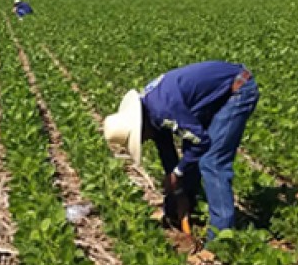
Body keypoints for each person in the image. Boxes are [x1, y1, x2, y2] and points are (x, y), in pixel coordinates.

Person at [103, 61, 259, 244]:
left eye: (139, 137)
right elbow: (167, 152)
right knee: (189, 156)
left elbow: (201, 141)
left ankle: (220, 241)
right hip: (214, 97)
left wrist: (178, 173)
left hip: (237, 89)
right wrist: (177, 188)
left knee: (212, 161)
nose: (143, 141)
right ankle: (177, 213)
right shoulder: (151, 112)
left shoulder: (162, 111)